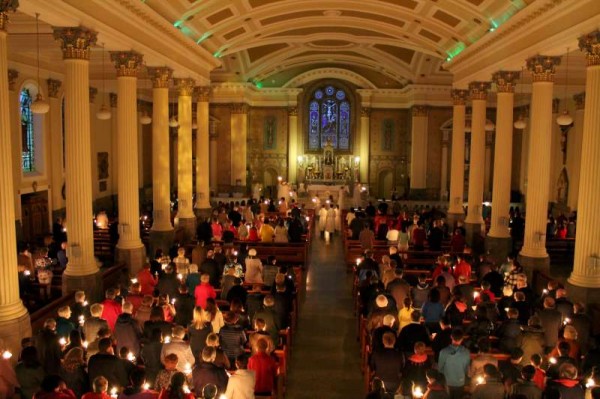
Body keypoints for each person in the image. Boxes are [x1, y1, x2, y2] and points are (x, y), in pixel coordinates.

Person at [438, 329, 470, 399]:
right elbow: (466, 369)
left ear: (451, 337)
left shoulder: (443, 352)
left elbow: (440, 368)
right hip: (460, 381)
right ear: (462, 339)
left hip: (447, 381)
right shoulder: (466, 352)